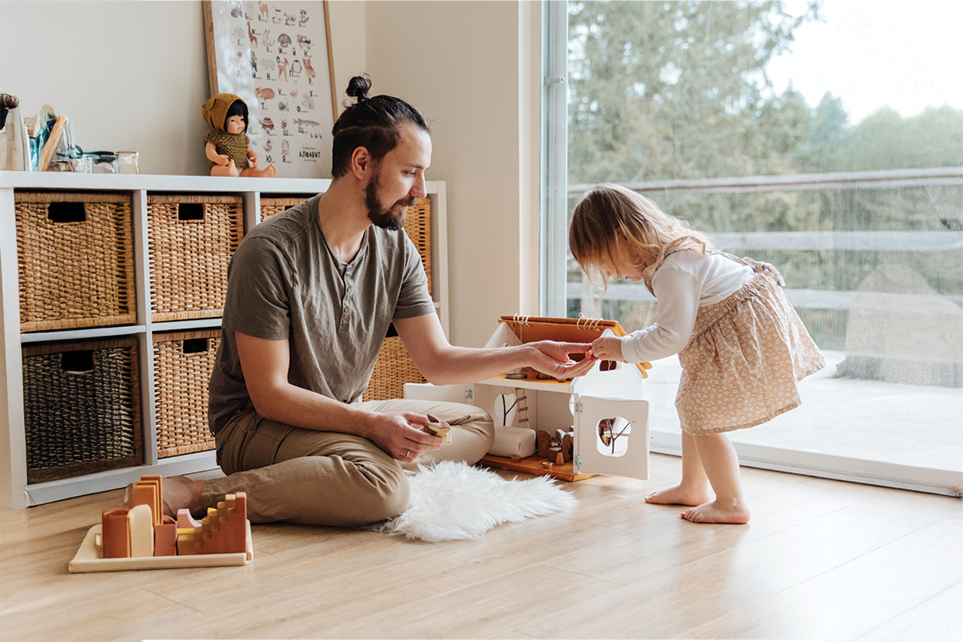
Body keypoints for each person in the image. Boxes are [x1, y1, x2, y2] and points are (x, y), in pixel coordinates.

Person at [153, 76, 595, 527]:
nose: (420, 190)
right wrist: (369, 428)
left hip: (345, 413)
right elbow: (269, 396)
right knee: (384, 490)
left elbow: (436, 361)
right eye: (410, 172)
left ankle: (340, 468)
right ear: (362, 162)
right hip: (256, 426)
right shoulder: (270, 251)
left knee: (475, 425)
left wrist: (528, 354)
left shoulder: (396, 249)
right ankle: (199, 492)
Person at [569, 184, 825, 524]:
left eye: (608, 263)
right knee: (692, 405)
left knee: (701, 415)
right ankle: (693, 486)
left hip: (743, 335)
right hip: (729, 328)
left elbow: (672, 336)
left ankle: (732, 503)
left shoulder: (673, 270)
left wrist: (624, 347)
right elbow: (675, 328)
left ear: (623, 237)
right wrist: (629, 342)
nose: (614, 275)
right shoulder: (673, 257)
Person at [201, 93, 277, 177]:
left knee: (252, 171)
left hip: (243, 170)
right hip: (223, 166)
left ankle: (262, 174)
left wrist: (254, 156)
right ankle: (229, 172)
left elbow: (249, 151)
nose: (239, 123)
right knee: (215, 170)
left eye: (241, 119)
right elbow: (210, 150)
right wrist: (216, 158)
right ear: (219, 121)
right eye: (233, 120)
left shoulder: (243, 139)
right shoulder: (215, 136)